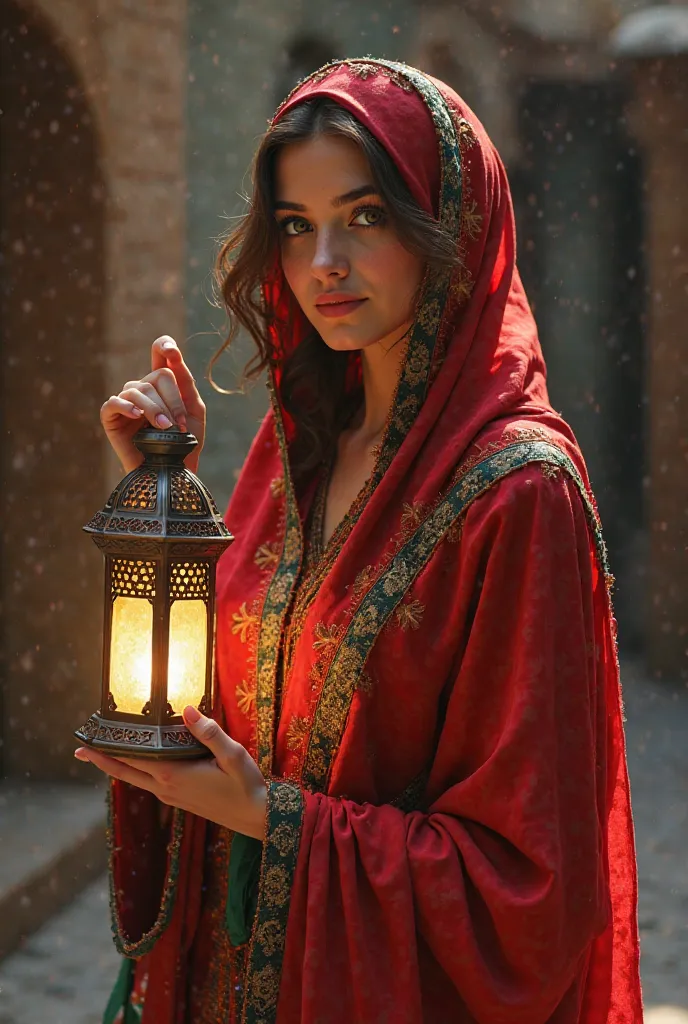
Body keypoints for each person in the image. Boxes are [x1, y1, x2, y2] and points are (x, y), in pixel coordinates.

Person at [75, 58, 642, 1023]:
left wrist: (272, 822)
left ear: (450, 229)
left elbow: (532, 890)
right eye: (295, 227)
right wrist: (168, 501)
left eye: (366, 215)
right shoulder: (291, 451)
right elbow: (236, 711)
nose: (322, 262)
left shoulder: (516, 494)